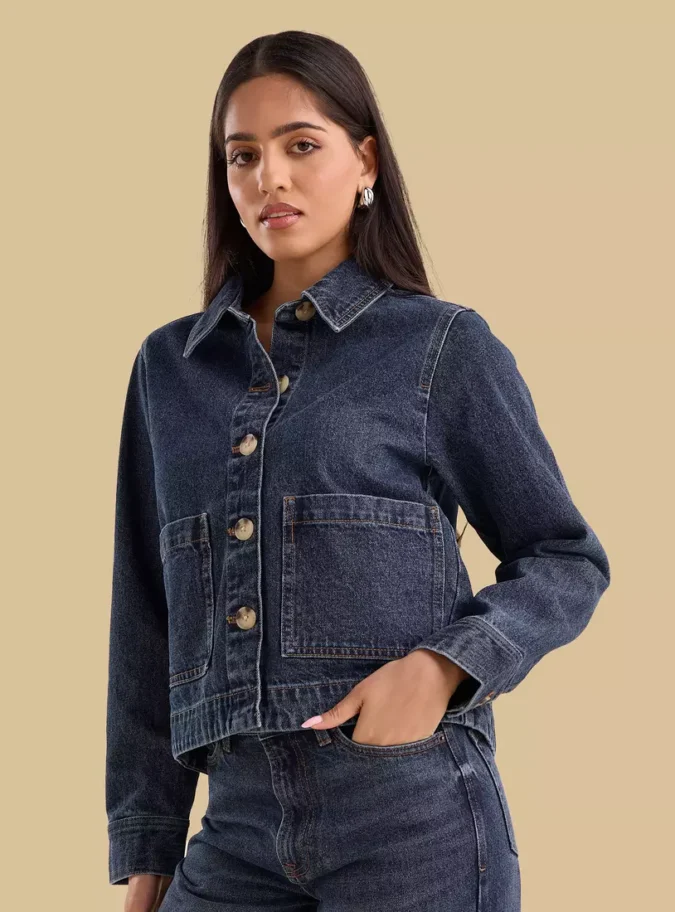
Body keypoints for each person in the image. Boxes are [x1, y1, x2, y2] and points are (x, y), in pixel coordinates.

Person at [105, 29, 611, 912]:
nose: (269, 177)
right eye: (243, 156)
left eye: (301, 145)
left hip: (410, 810)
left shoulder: (440, 346)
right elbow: (145, 619)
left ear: (365, 160)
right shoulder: (169, 369)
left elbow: (565, 558)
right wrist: (148, 853)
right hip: (234, 824)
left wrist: (442, 667)